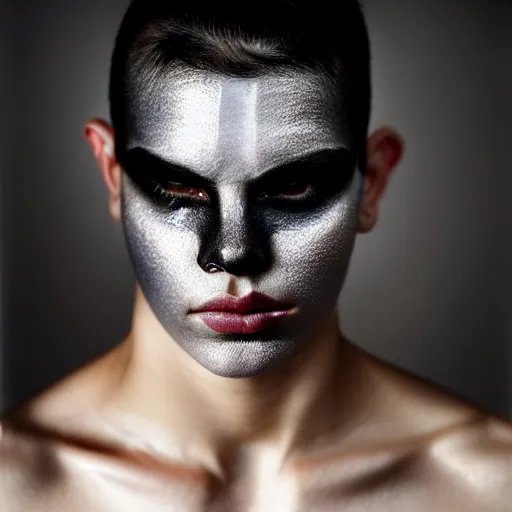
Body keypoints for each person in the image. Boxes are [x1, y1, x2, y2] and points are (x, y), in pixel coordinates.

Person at [1, 1, 510, 510]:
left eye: (293, 186)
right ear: (112, 174)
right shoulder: (14, 484)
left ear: (371, 182)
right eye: (179, 187)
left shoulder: (492, 485)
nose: (234, 251)